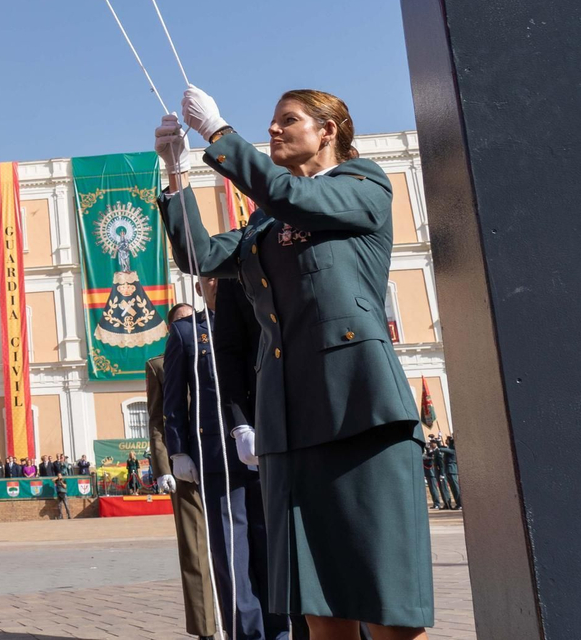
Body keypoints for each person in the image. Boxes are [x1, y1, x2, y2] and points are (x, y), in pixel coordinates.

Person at [157, 87, 433, 639]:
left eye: (290, 120)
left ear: (328, 131)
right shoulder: (264, 223)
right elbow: (201, 257)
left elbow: (294, 198)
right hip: (287, 419)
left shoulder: (364, 183)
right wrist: (176, 177)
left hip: (359, 406)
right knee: (315, 595)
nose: (275, 130)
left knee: (386, 591)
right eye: (273, 122)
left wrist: (218, 133)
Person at [166, 288, 285, 640]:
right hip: (217, 454)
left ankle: (279, 630)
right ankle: (247, 634)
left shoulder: (260, 320)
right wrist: (178, 449)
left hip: (265, 452)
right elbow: (174, 396)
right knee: (232, 557)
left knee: (270, 551)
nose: (222, 284)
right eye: (214, 278)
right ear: (201, 287)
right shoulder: (187, 331)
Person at [147, 337, 217, 640]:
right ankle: (205, 628)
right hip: (184, 468)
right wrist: (164, 468)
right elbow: (157, 422)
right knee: (195, 551)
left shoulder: (220, 353)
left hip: (225, 459)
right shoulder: (158, 366)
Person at [440, 436, 461, 509]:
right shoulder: (449, 449)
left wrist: (438, 442)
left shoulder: (452, 450)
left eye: (447, 440)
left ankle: (460, 503)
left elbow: (441, 449)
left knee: (456, 488)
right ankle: (458, 503)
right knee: (453, 489)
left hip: (452, 470)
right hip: (449, 470)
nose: (446, 441)